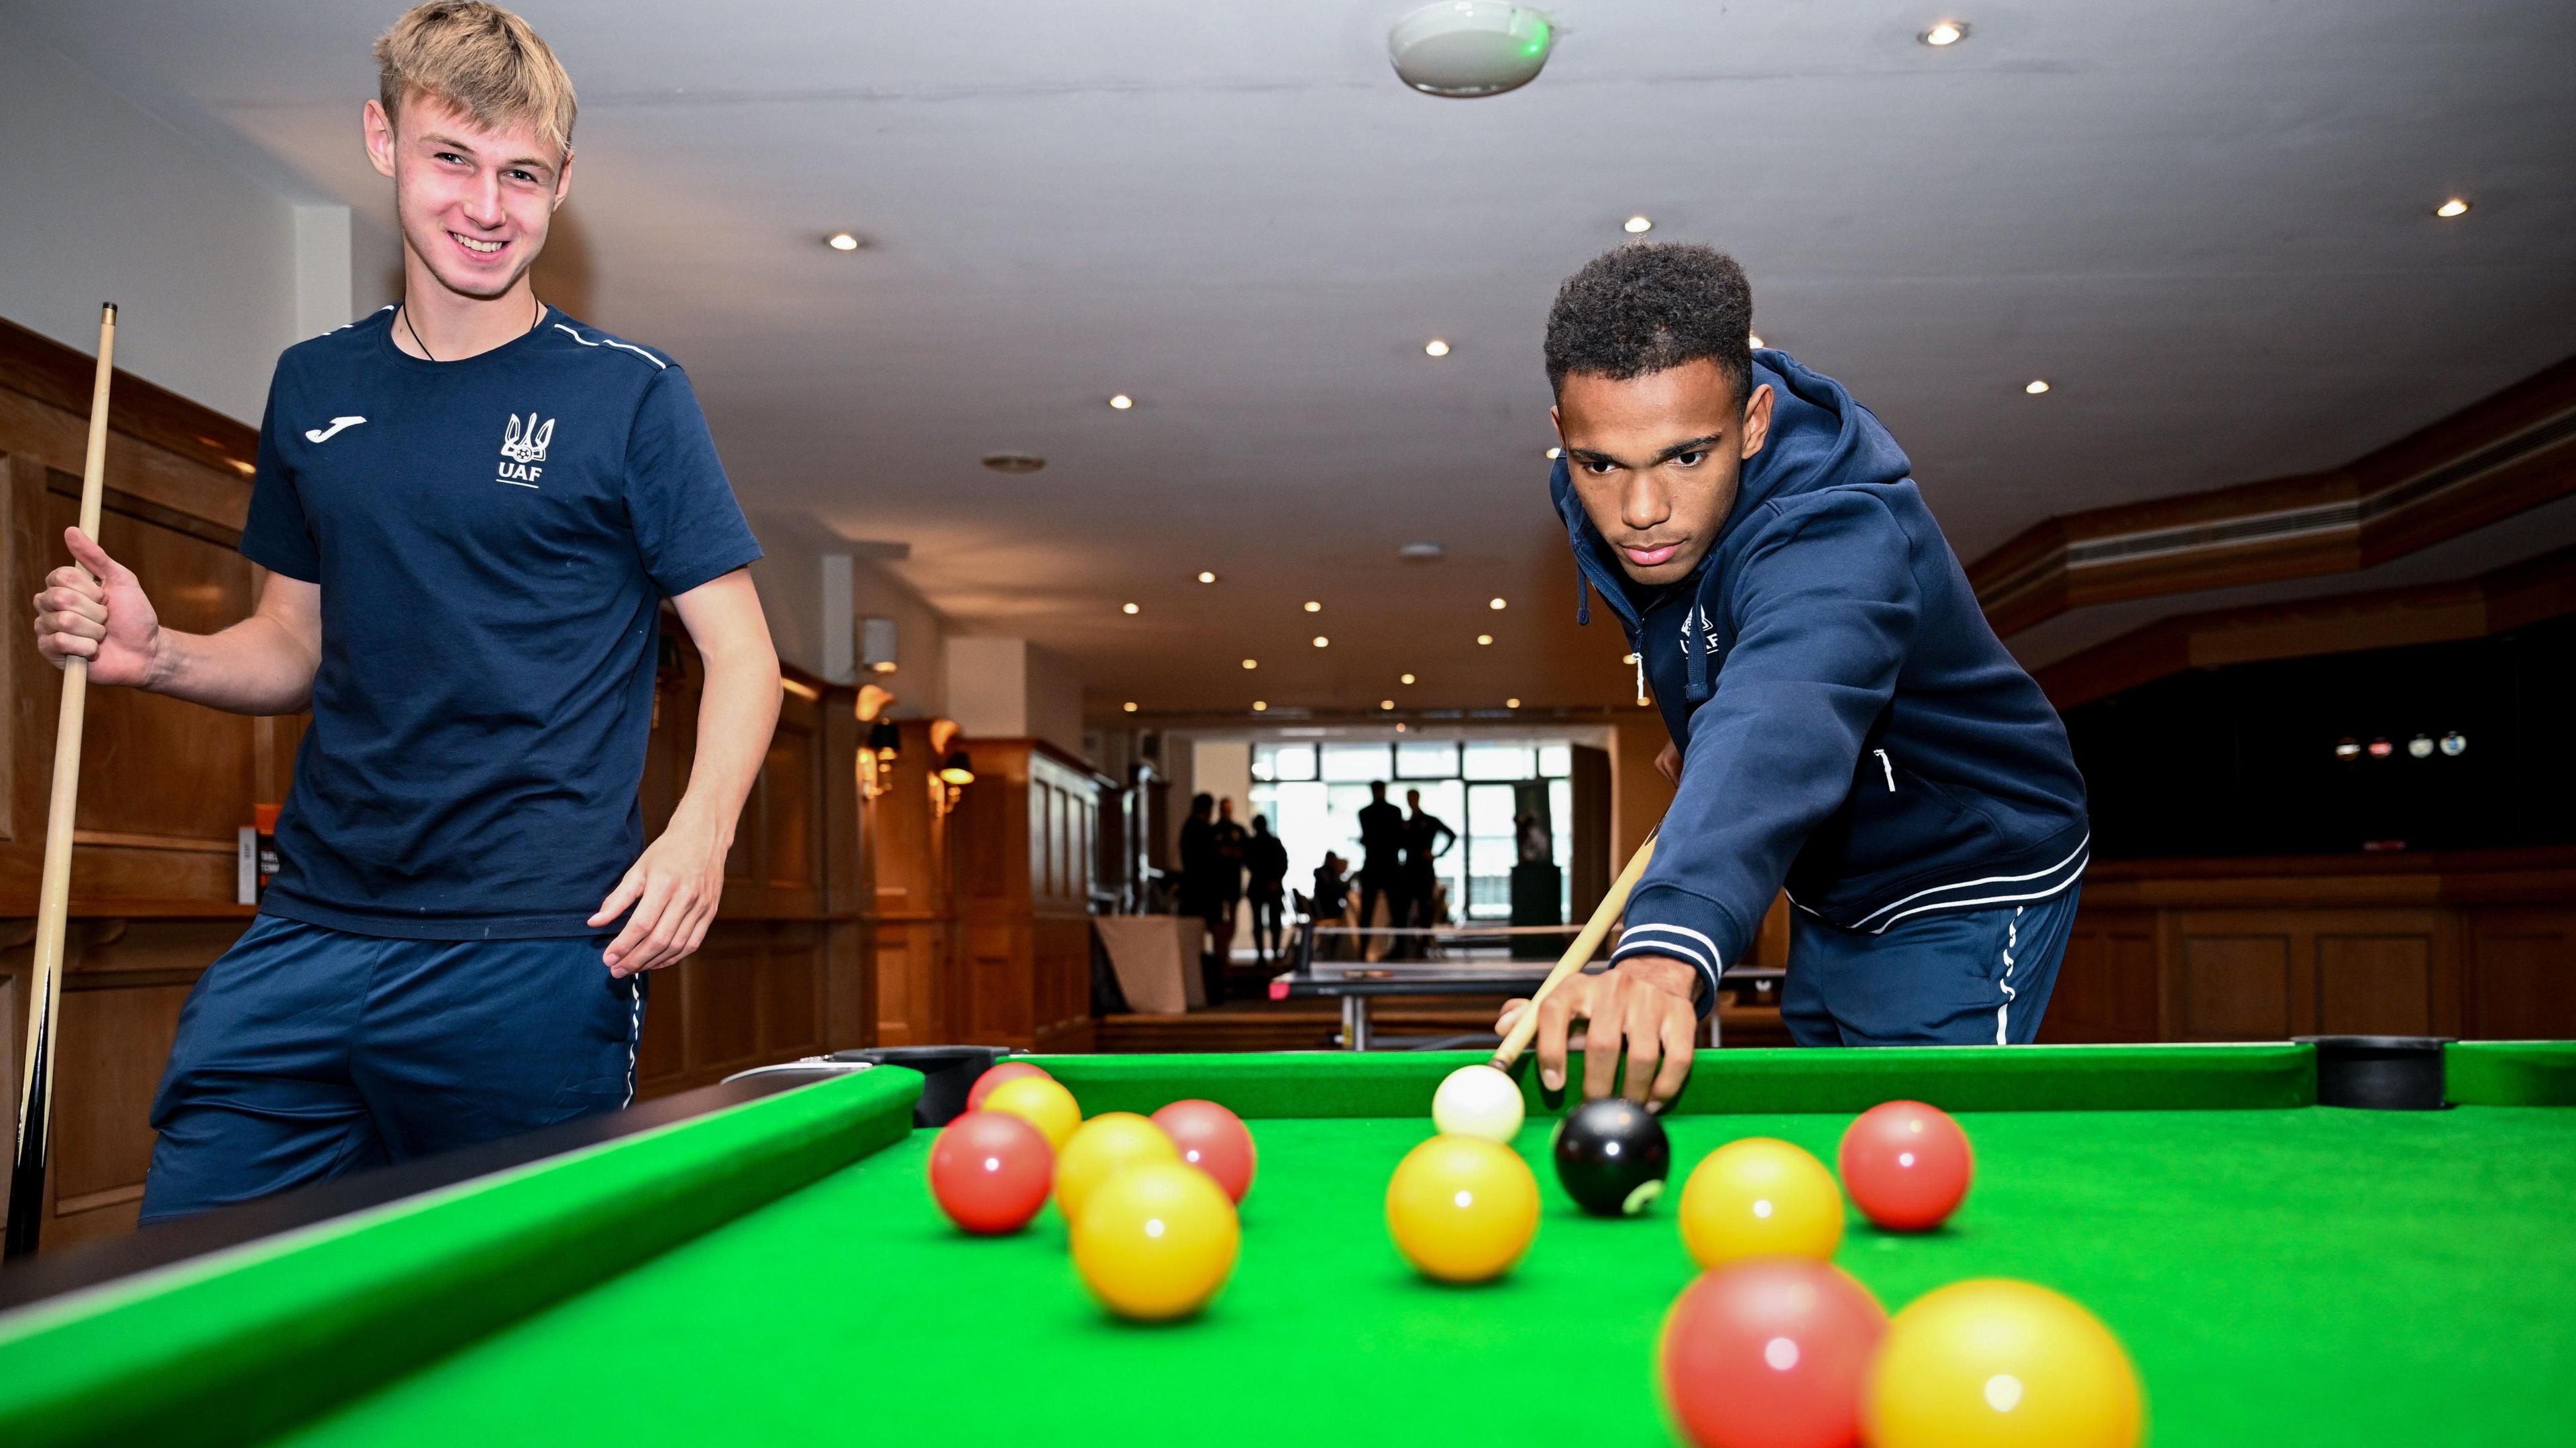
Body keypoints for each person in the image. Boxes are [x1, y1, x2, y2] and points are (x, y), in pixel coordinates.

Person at [31, 1, 781, 1221]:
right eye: (454, 159)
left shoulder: (631, 396)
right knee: (196, 1287)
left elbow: (742, 652)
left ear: (562, 184)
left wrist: (700, 833)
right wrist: (158, 650)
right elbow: (295, 641)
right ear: (384, 140)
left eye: (522, 174)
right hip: (311, 928)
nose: (488, 205)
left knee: (522, 1334)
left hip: (534, 942)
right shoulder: (314, 384)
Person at [1498, 243, 2089, 1107]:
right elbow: (1717, 640)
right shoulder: (1615, 483)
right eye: (1601, 465)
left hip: (1967, 868)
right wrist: (1700, 714)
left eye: (1686, 457)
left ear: (1753, 423)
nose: (1641, 509)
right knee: (1826, 1126)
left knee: (1911, 1144)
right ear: (1564, 434)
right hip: (1830, 875)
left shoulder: (1842, 534)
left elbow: (1785, 710)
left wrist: (1663, 952)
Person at [1354, 780, 1407, 957]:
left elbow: (1368, 838)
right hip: (1390, 865)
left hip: (1373, 865)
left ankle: (1363, 951)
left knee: (1367, 912)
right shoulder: (1394, 812)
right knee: (1396, 911)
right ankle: (1400, 948)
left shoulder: (1365, 813)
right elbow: (1400, 838)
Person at [1176, 792, 1222, 996]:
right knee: (1200, 940)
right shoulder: (1199, 830)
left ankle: (1203, 986)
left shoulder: (1191, 828)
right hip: (1201, 892)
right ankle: (1204, 986)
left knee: (1200, 939)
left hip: (1198, 890)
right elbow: (1207, 862)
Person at [1399, 787, 1458, 941]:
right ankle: (1408, 942)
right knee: (1405, 907)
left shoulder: (1430, 821)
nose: (1411, 802)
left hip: (1424, 869)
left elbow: (1451, 835)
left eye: (1413, 798)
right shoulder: (1407, 823)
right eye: (1409, 799)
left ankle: (1424, 943)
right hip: (1409, 869)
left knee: (1425, 906)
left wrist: (1438, 855)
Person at [1208, 798, 1249, 977]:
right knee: (1219, 924)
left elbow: (1247, 853)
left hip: (1233, 883)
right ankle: (1221, 958)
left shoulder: (1238, 831)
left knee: (1231, 922)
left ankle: (1224, 955)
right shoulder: (1213, 831)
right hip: (1217, 885)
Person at [1242, 814, 1290, 964]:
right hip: (1266, 885)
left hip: (1263, 885)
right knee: (1269, 922)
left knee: (1267, 922)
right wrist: (1275, 879)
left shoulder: (1260, 843)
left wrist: (1275, 879)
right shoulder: (1271, 843)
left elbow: (1282, 863)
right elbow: (1283, 863)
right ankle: (1270, 953)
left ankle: (1267, 954)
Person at [1308, 851, 1352, 960]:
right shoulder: (1325, 874)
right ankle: (1336, 953)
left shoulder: (1326, 874)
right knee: (1347, 919)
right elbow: (1336, 893)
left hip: (1327, 910)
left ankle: (1336, 952)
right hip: (1326, 911)